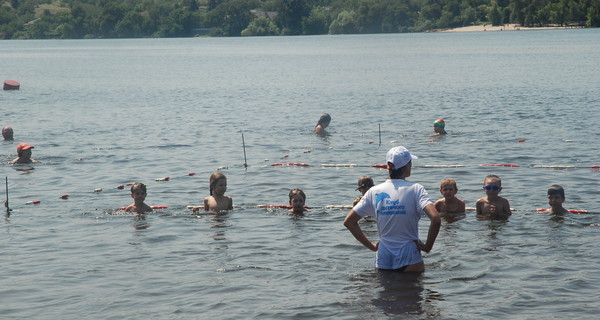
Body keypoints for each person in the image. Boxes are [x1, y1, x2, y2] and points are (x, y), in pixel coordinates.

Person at [344, 146, 441, 273]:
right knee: (413, 289)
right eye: (410, 163)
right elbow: (436, 218)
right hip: (410, 256)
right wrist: (428, 247)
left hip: (384, 256)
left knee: (386, 290)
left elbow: (349, 222)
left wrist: (372, 246)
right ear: (407, 166)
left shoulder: (374, 191)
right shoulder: (416, 189)